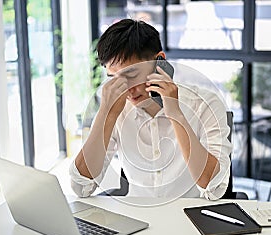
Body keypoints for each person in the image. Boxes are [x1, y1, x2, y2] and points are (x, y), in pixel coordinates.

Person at [70, 19, 232, 200]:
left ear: (159, 61)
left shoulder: (205, 104)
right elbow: (81, 186)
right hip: (138, 220)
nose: (126, 90)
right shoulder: (116, 109)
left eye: (131, 75)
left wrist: (175, 114)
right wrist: (106, 114)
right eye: (113, 78)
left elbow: (213, 187)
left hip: (190, 219)